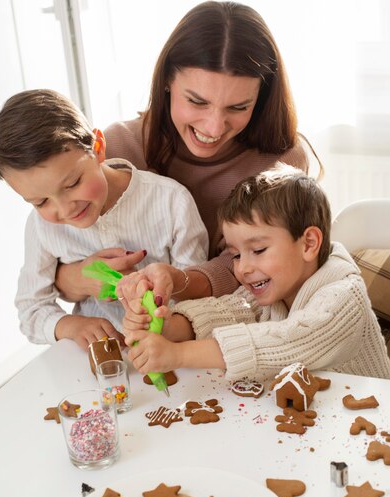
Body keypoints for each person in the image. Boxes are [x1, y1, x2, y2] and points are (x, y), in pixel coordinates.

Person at [56, 0, 322, 306]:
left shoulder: (280, 161)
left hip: (228, 322)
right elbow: (55, 257)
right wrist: (77, 277)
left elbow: (248, 267)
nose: (214, 126)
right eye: (197, 101)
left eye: (238, 107)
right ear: (168, 80)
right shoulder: (116, 148)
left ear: (260, 98)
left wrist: (174, 281)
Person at [123, 166, 390, 381]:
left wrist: (177, 354)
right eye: (236, 254)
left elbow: (286, 342)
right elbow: (227, 311)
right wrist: (166, 328)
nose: (243, 267)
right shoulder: (275, 288)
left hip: (368, 425)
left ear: (308, 243)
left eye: (258, 250)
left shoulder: (344, 298)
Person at [0, 89, 208, 350]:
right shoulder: (41, 226)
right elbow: (31, 308)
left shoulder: (171, 201)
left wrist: (158, 312)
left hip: (171, 351)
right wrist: (71, 326)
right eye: (41, 202)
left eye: (72, 183)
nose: (65, 209)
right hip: (94, 367)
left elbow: (198, 296)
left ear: (98, 148)